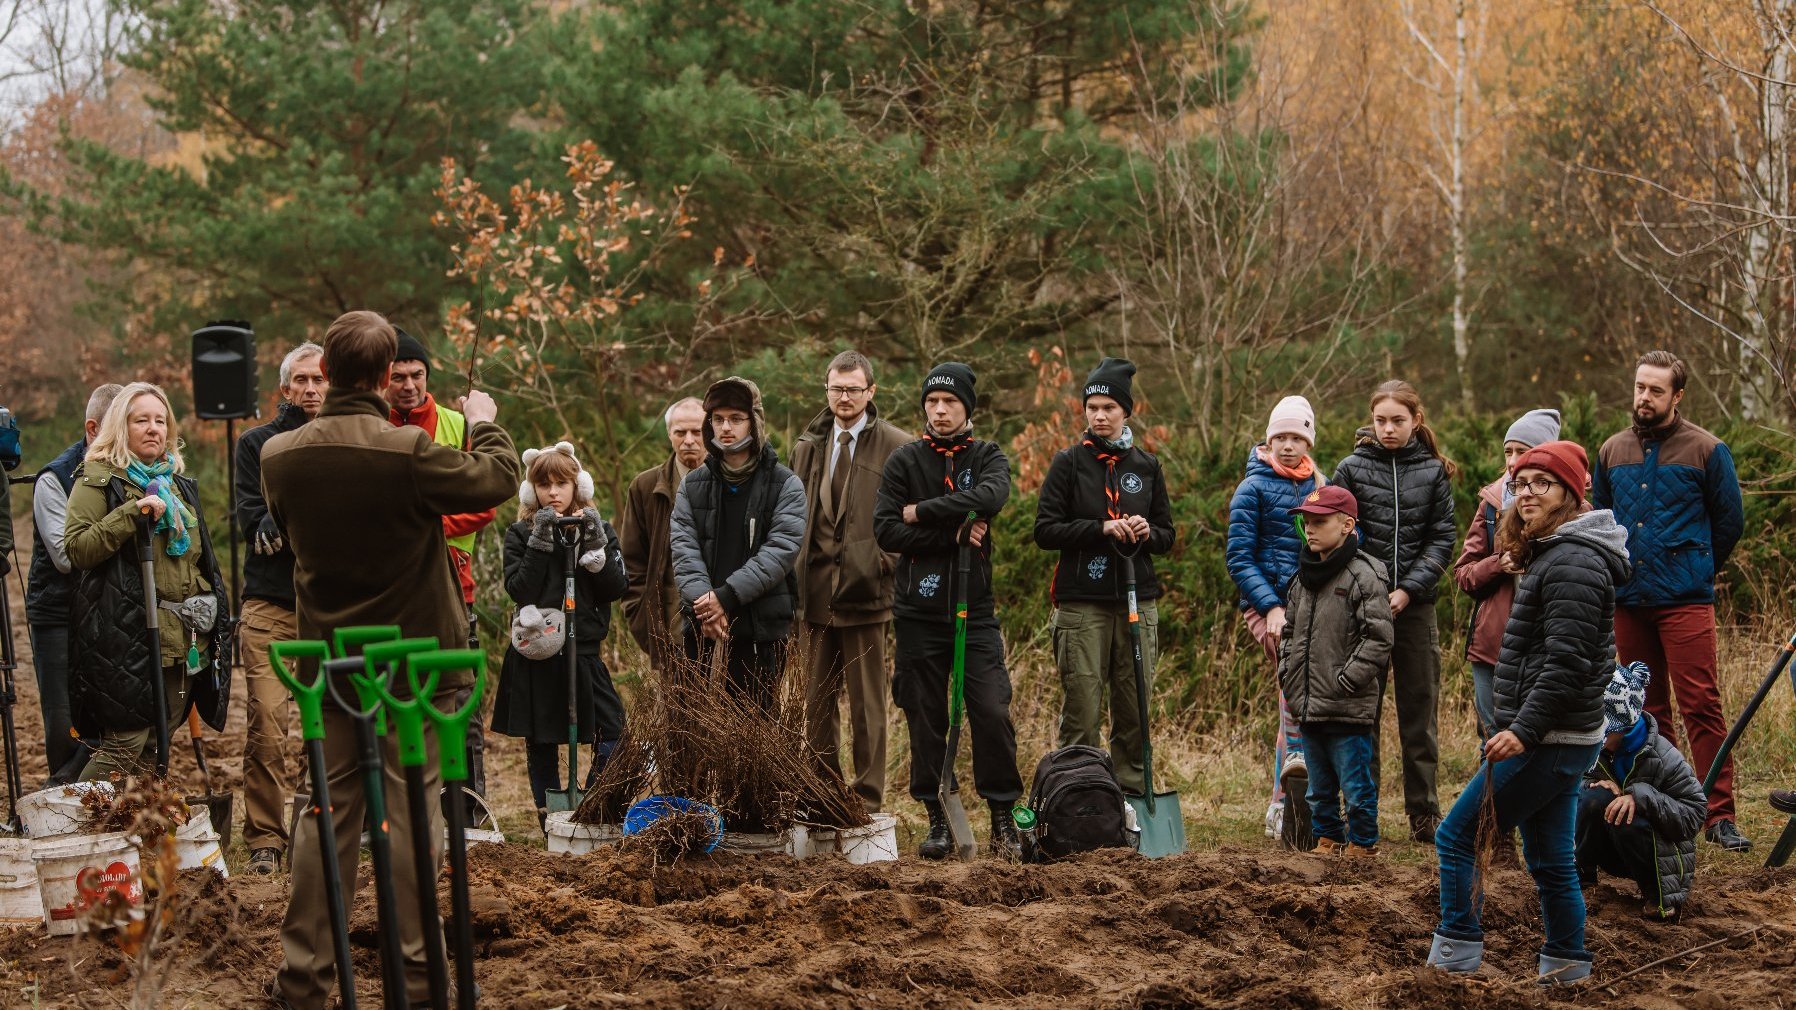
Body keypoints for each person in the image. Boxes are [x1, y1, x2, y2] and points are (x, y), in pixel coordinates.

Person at [262, 310, 519, 1010]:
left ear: (329, 372)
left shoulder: (278, 456)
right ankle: (417, 972)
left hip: (331, 664)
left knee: (328, 811)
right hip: (414, 664)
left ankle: (307, 975)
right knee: (411, 814)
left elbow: (286, 531)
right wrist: (483, 420)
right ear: (382, 378)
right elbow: (495, 479)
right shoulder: (406, 449)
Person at [1429, 441, 1631, 985]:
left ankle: (1454, 960)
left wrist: (1521, 729)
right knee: (1550, 860)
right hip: (1561, 737)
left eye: (1542, 483)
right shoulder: (1554, 552)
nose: (1527, 494)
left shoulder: (1573, 561)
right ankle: (1566, 964)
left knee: (1458, 837)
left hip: (1550, 739)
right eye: (1520, 484)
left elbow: (1566, 664)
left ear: (1571, 491)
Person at [1592, 350, 1749, 852]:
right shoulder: (1612, 450)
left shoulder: (1707, 449)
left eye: (1656, 390)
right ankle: (1663, 804)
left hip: (1685, 601)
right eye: (1640, 387)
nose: (1644, 397)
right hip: (1629, 600)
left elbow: (1729, 523)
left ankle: (1718, 814)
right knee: (1644, 707)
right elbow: (1601, 521)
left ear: (1677, 396)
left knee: (1701, 704)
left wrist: (1697, 567)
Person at [875, 363, 1024, 859]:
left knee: (990, 709)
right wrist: (953, 531)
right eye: (933, 402)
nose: (940, 411)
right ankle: (937, 816)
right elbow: (886, 530)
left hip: (973, 610)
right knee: (925, 716)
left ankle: (1002, 816)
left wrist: (922, 510)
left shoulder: (987, 455)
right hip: (917, 613)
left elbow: (992, 496)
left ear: (966, 409)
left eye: (950, 403)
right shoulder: (903, 461)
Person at [64, 382, 230, 781]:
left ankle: (133, 830)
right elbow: (78, 548)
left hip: (184, 638)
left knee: (159, 739)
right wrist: (130, 514)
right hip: (126, 637)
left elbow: (199, 562)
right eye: (142, 420)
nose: (154, 428)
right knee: (126, 741)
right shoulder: (98, 479)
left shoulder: (178, 485)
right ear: (121, 426)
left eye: (161, 420)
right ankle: (70, 822)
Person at [1033, 357, 1175, 797]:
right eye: (1092, 406)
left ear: (1126, 412)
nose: (1099, 415)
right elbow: (1044, 530)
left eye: (1109, 407)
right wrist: (1100, 528)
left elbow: (1169, 535)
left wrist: (1148, 532)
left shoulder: (1146, 465)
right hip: (1082, 606)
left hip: (1138, 602)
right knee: (1082, 710)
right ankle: (1077, 799)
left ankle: (1131, 798)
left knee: (1134, 708)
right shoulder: (1069, 462)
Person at [1331, 379, 1458, 844]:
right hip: (1362, 611)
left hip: (1416, 608)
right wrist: (1372, 590)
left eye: (1398, 421)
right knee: (1361, 712)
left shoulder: (1433, 471)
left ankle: (1424, 815)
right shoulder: (1349, 468)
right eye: (1381, 420)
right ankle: (1361, 814)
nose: (1388, 429)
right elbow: (1338, 533)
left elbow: (1443, 538)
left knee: (1419, 712)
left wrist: (1407, 589)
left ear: (1415, 421)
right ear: (1371, 420)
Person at [791, 350, 911, 812]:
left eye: (854, 389)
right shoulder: (808, 444)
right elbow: (793, 514)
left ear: (870, 392)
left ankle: (867, 799)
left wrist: (882, 560)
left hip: (867, 594)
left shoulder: (897, 445)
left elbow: (909, 518)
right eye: (837, 389)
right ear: (827, 390)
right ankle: (822, 793)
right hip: (815, 594)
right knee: (815, 705)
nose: (844, 397)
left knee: (867, 706)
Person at [386, 328, 497, 805]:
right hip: (391, 589)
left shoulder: (456, 423)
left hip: (456, 585)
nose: (409, 385)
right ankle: (401, 805)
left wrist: (421, 522)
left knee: (460, 702)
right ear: (382, 380)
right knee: (394, 698)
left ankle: (467, 806)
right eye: (398, 377)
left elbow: (485, 500)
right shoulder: (374, 424)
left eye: (417, 375)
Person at [492, 443, 628, 830]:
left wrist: (594, 541)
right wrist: (540, 539)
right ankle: (551, 822)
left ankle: (592, 809)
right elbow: (520, 589)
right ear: (531, 489)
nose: (553, 492)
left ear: (577, 486)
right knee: (542, 741)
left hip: (584, 652)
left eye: (561, 483)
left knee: (614, 734)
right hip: (537, 656)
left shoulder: (598, 529)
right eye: (544, 483)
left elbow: (615, 587)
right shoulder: (519, 534)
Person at [234, 342, 327, 876]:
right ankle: (265, 841)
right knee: (269, 725)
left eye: (320, 380)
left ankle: (318, 827)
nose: (311, 389)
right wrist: (265, 523)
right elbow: (250, 508)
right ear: (285, 388)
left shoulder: (342, 439)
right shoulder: (257, 443)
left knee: (329, 724)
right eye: (302, 380)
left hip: (330, 607)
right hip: (270, 604)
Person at [668, 376, 805, 708]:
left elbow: (780, 550)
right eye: (717, 419)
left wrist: (725, 598)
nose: (725, 427)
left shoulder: (785, 485)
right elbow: (683, 549)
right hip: (702, 628)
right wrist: (707, 605)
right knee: (693, 733)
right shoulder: (693, 485)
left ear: (753, 422)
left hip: (759, 631)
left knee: (751, 733)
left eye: (736, 419)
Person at [1226, 394, 1325, 842]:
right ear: (1268, 440)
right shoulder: (1253, 488)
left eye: (1296, 437)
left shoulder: (1319, 485)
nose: (1288, 445)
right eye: (1280, 437)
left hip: (1314, 609)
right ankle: (1283, 804)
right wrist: (1270, 607)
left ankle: (1290, 802)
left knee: (1300, 701)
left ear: (1308, 441)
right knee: (1294, 699)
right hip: (1268, 610)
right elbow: (1239, 558)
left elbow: (1346, 536)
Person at [1277, 485, 1393, 857]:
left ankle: (1363, 846)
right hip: (1309, 705)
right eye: (1306, 522)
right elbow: (1290, 634)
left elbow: (1378, 637)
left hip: (1348, 705)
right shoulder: (1300, 579)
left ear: (1346, 525)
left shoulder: (1364, 575)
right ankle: (1328, 839)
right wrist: (1289, 677)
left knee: (1356, 786)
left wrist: (1346, 680)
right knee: (1318, 787)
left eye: (1319, 522)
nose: (1309, 529)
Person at [25, 383, 122, 785]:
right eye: (117, 429)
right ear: (92, 428)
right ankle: (61, 801)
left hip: (107, 610)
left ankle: (104, 806)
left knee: (110, 715)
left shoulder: (129, 471)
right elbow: (67, 557)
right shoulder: (53, 479)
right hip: (59, 613)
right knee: (64, 721)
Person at [1454, 408, 1563, 738]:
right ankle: (1489, 793)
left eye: (1523, 451)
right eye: (1509, 451)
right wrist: (1498, 564)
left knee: (1539, 738)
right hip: (1493, 645)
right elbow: (1464, 574)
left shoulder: (1573, 508)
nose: (1514, 460)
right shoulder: (1491, 503)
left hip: (1546, 645)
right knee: (1492, 737)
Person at [1575, 661, 1705, 923]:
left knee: (1628, 815)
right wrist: (1590, 784)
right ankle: (1582, 879)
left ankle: (1660, 898)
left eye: (1600, 731)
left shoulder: (1664, 756)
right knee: (1590, 798)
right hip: (1616, 850)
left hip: (1662, 859)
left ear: (1622, 725)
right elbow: (1572, 781)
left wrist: (1641, 796)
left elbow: (1695, 814)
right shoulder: (1600, 753)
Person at [621, 397, 707, 673]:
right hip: (671, 635)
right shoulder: (645, 487)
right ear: (669, 434)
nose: (689, 440)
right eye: (681, 432)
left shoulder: (732, 482)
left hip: (724, 635)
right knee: (675, 716)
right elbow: (632, 563)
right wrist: (643, 623)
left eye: (697, 431)